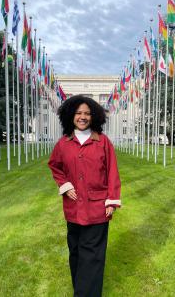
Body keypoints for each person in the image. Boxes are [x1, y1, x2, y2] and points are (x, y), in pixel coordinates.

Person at [48, 95, 121, 297]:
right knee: (76, 252)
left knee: (92, 256)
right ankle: (80, 289)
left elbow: (112, 172)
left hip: (97, 208)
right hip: (73, 208)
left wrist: (112, 199)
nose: (83, 117)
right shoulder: (63, 143)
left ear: (94, 116)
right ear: (71, 116)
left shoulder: (103, 142)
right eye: (79, 113)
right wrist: (64, 184)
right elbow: (54, 165)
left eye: (87, 113)